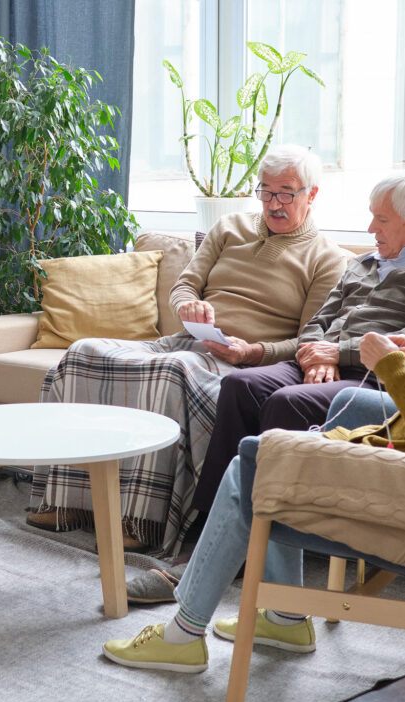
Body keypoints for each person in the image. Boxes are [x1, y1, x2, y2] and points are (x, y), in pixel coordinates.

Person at [102, 198, 405, 672]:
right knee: (267, 454)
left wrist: (392, 366)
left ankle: (185, 634)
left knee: (252, 463)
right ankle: (285, 618)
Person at [126, 169, 405, 601]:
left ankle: (249, 556)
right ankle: (209, 537)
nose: (370, 229)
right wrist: (316, 352)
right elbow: (316, 323)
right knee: (239, 386)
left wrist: (339, 353)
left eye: (380, 220)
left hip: (377, 379)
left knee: (285, 403)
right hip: (319, 365)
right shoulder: (365, 263)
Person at [27, 145, 349, 555]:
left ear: (312, 194)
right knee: (83, 351)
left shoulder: (327, 259)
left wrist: (252, 351)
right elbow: (185, 285)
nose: (273, 203)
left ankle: (142, 520)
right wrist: (187, 306)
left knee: (170, 372)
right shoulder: (230, 227)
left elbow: (308, 341)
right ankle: (69, 503)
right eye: (265, 191)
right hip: (186, 342)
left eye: (285, 193)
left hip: (239, 364)